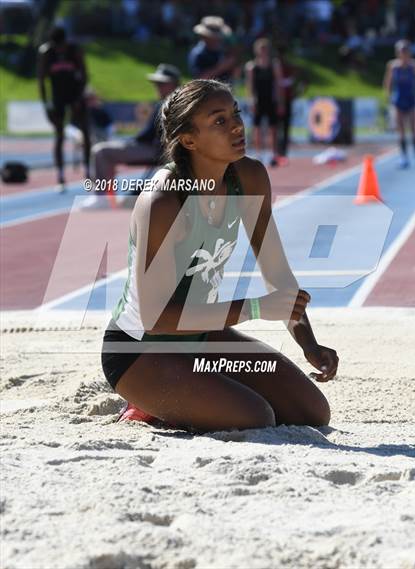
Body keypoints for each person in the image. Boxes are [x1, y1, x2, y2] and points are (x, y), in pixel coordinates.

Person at [101, 79, 338, 433]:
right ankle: (147, 402)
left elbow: (278, 275)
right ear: (189, 139)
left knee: (312, 412)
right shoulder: (164, 201)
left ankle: (191, 390)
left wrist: (309, 343)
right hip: (140, 350)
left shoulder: (250, 177)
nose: (237, 126)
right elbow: (155, 318)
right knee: (255, 417)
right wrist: (255, 308)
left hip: (200, 338)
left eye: (235, 113)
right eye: (219, 121)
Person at [80, 63, 180, 209]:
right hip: (154, 147)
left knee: (101, 152)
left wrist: (133, 141)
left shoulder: (170, 103)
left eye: (162, 83)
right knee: (106, 152)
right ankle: (109, 197)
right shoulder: (168, 102)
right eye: (157, 83)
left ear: (173, 83)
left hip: (156, 150)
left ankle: (102, 198)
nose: (158, 86)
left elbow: (153, 135)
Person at [38, 25, 90, 189]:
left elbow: (85, 75)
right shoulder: (46, 53)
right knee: (59, 135)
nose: (60, 49)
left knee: (85, 132)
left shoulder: (75, 50)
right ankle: (60, 175)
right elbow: (41, 81)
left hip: (75, 94)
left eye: (62, 46)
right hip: (58, 97)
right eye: (56, 46)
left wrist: (79, 97)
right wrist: (46, 105)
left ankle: (88, 170)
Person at [245, 38, 283, 167]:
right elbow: (250, 86)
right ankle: (258, 154)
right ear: (256, 51)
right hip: (258, 100)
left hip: (271, 100)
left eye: (265, 49)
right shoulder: (251, 67)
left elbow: (278, 84)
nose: (263, 52)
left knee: (273, 128)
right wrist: (251, 101)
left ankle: (273, 154)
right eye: (261, 49)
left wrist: (280, 101)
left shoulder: (274, 65)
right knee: (257, 128)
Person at [383, 39, 415, 169]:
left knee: (413, 129)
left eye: (405, 51)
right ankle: (404, 157)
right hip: (398, 100)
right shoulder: (393, 66)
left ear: (409, 53)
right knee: (401, 131)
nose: (403, 54)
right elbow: (388, 83)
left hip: (411, 99)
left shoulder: (414, 65)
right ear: (397, 53)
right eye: (401, 52)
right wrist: (388, 97)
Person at [188, 16, 237, 83]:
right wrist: (221, 67)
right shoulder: (198, 53)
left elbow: (233, 76)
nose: (217, 39)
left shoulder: (223, 50)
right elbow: (199, 78)